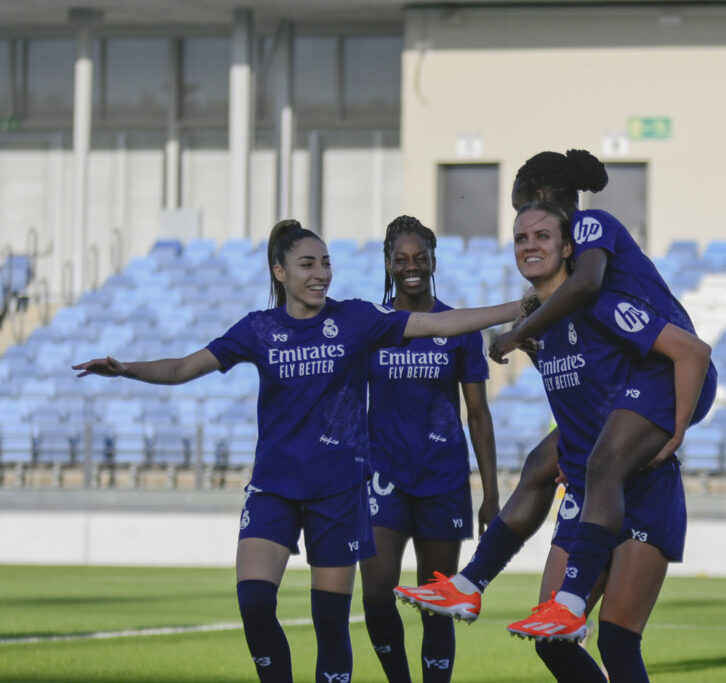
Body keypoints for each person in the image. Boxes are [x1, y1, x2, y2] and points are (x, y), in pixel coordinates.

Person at [71, 219, 521, 683]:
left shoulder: (356, 319)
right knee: (254, 603)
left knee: (331, 622)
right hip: (275, 487)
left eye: (326, 263)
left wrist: (521, 305)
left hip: (339, 492)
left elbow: (442, 322)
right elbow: (186, 366)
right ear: (280, 271)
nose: (320, 273)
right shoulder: (258, 328)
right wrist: (126, 369)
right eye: (307, 264)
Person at [399, 203, 715, 681]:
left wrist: (675, 433)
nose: (530, 245)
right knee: (551, 640)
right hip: (588, 493)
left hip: (645, 492)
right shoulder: (541, 326)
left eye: (543, 236)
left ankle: (476, 584)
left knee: (617, 642)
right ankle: (470, 583)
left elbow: (692, 351)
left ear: (569, 247)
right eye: (521, 238)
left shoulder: (601, 303)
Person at [360, 216, 499, 683]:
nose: (411, 267)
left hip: (443, 479)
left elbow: (478, 414)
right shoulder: (370, 325)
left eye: (420, 258)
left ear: (434, 261)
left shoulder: (459, 328)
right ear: (388, 263)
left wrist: (491, 494)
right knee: (377, 593)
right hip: (383, 476)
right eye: (401, 259)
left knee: (437, 602)